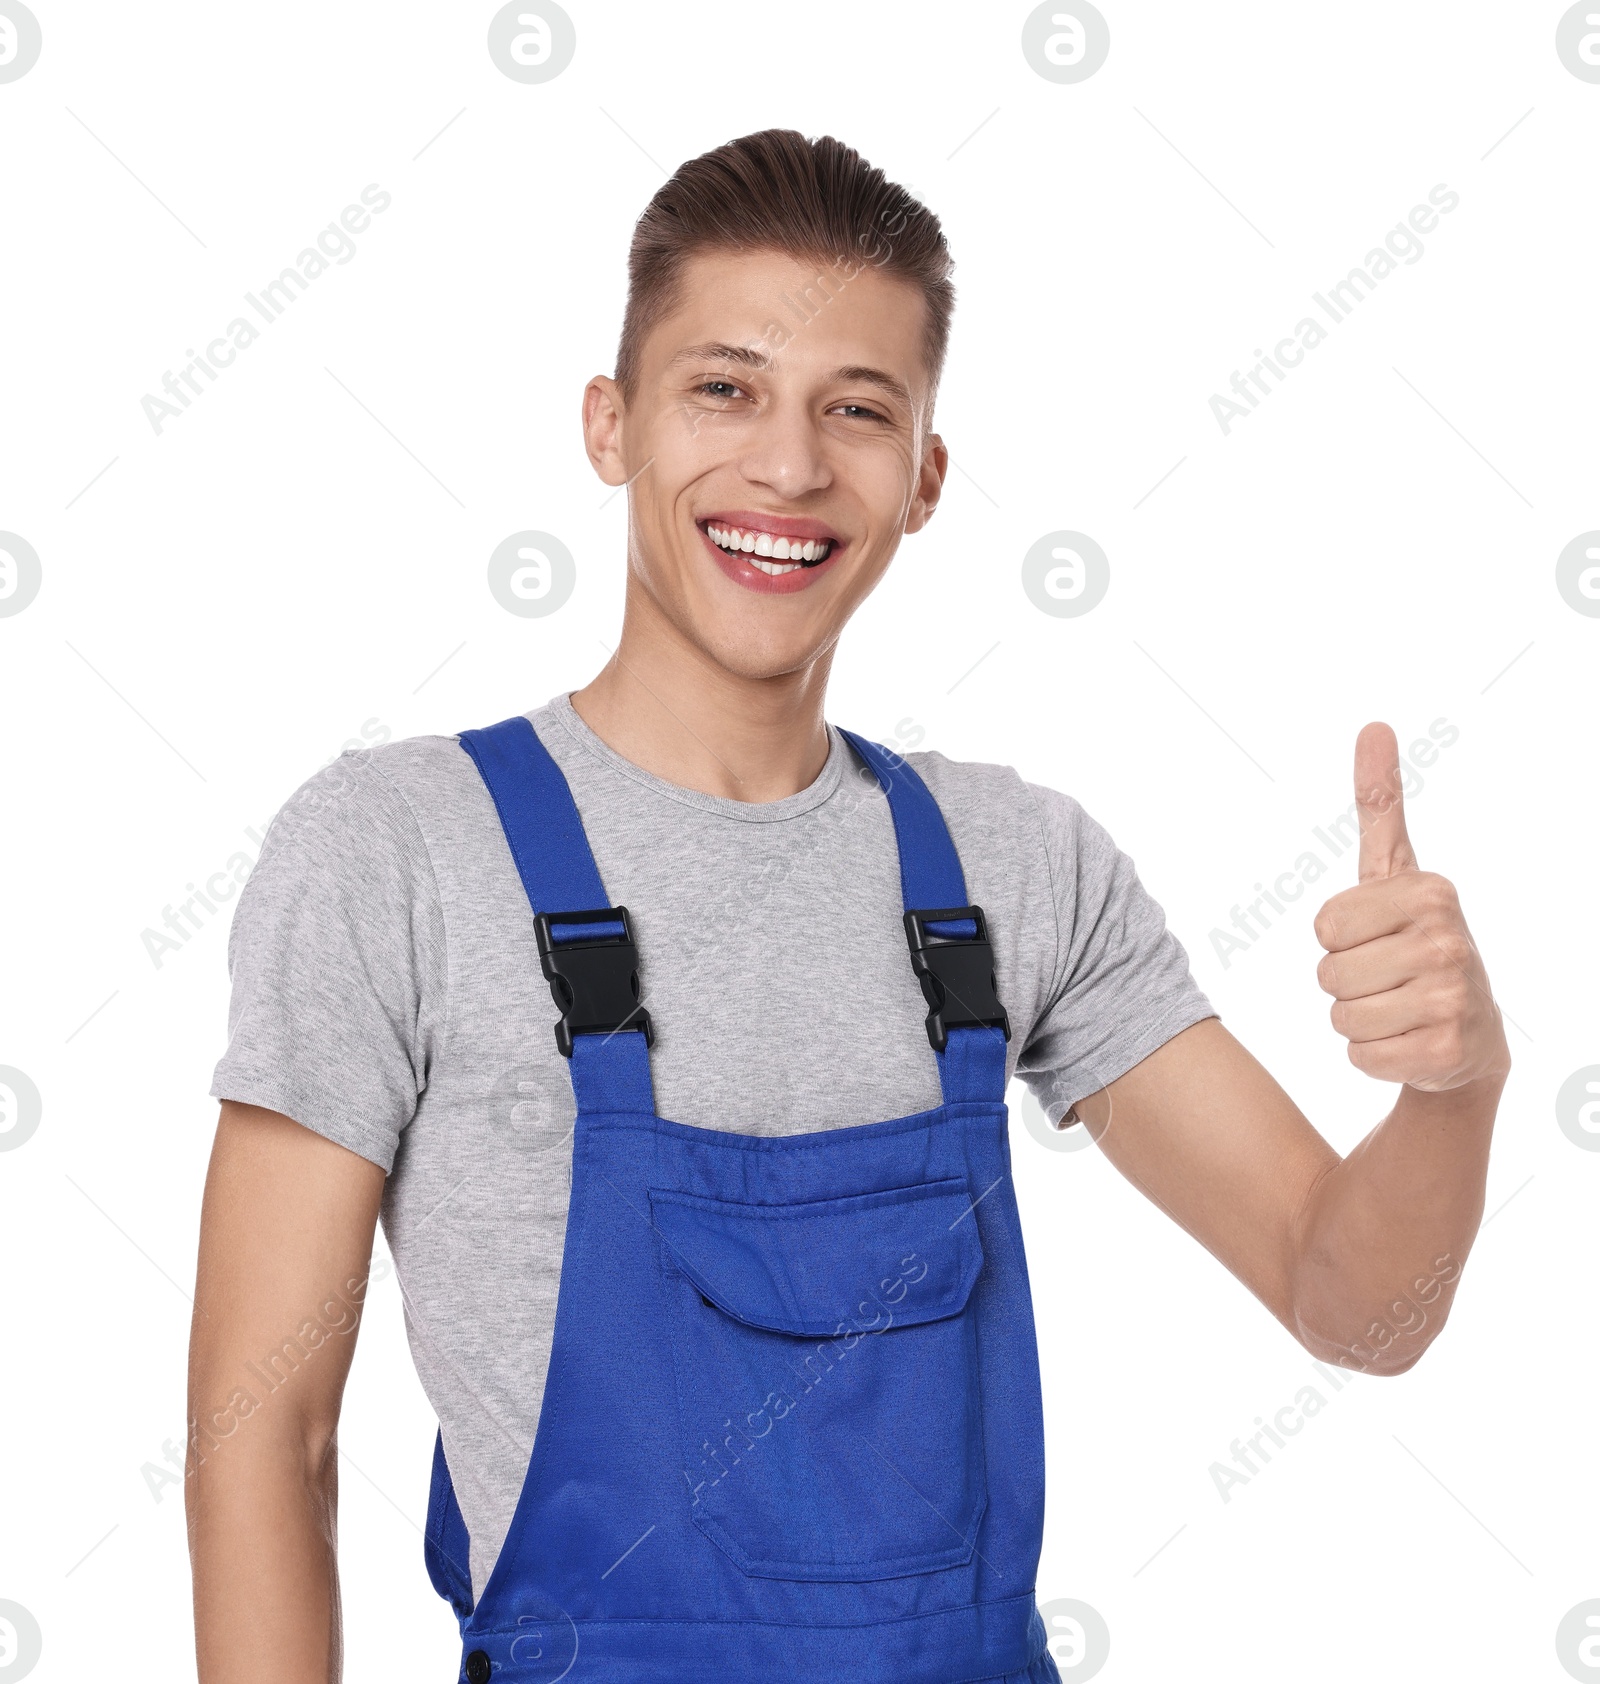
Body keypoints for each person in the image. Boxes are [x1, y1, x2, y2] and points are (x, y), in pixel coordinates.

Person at [186, 129, 1509, 1684]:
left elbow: (1357, 1305)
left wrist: (1454, 1090)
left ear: (926, 477)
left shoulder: (1012, 868)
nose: (791, 467)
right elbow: (263, 1438)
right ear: (612, 426)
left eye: (858, 411)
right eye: (724, 387)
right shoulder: (396, 852)